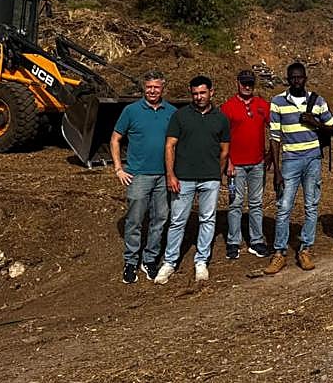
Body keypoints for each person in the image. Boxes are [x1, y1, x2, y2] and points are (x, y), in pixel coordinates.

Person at [157, 75, 231, 283]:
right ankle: (170, 262)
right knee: (178, 220)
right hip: (184, 177)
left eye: (202, 93)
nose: (199, 97)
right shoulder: (180, 116)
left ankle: (201, 261)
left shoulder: (221, 118)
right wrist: (171, 174)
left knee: (207, 219)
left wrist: (217, 174)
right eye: (195, 93)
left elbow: (224, 150)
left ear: (211, 92)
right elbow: (169, 145)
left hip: (210, 178)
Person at [266, 62, 333, 274]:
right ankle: (279, 253)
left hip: (313, 158)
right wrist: (276, 170)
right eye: (292, 78)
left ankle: (305, 249)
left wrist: (315, 123)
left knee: (311, 205)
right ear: (288, 80)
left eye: (300, 77)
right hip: (290, 159)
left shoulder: (317, 101)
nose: (296, 81)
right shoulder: (278, 101)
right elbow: (275, 136)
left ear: (305, 78)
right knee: (284, 206)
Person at [110, 71, 176, 284]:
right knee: (135, 220)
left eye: (156, 87)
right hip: (138, 175)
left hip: (163, 175)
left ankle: (150, 259)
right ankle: (130, 261)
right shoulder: (131, 111)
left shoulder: (172, 112)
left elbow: (177, 144)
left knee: (160, 219)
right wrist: (119, 168)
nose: (152, 91)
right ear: (143, 88)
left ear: (163, 88)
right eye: (149, 87)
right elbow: (115, 139)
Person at [221, 69, 272, 259]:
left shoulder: (261, 105)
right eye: (244, 82)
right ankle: (233, 241)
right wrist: (228, 162)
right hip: (236, 165)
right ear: (238, 83)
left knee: (256, 203)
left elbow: (274, 128)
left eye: (250, 83)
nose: (247, 86)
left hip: (257, 164)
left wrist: (270, 156)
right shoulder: (228, 107)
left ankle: (256, 240)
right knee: (235, 203)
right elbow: (223, 138)